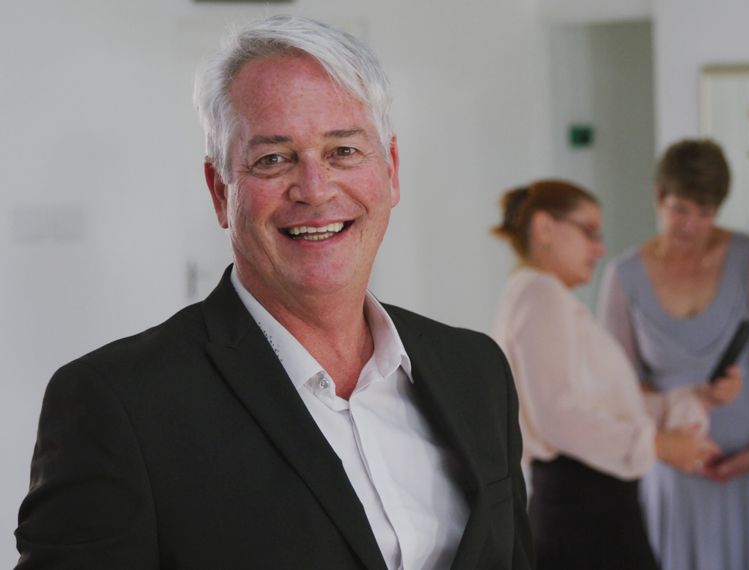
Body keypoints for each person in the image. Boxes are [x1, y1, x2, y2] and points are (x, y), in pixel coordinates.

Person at [15, 15, 531, 570]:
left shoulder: (476, 370)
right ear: (220, 191)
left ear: (392, 170)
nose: (314, 189)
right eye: (272, 158)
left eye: (343, 151)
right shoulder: (119, 404)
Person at [490, 180, 740, 570]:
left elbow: (597, 405)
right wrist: (658, 445)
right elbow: (559, 416)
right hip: (583, 509)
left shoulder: (546, 298)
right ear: (545, 229)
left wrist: (699, 398)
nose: (600, 249)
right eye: (589, 232)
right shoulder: (540, 295)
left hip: (591, 506)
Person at [598, 139, 749, 570]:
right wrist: (675, 435)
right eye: (681, 210)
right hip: (677, 472)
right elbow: (616, 384)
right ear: (660, 196)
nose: (692, 225)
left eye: (706, 212)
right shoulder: (623, 277)